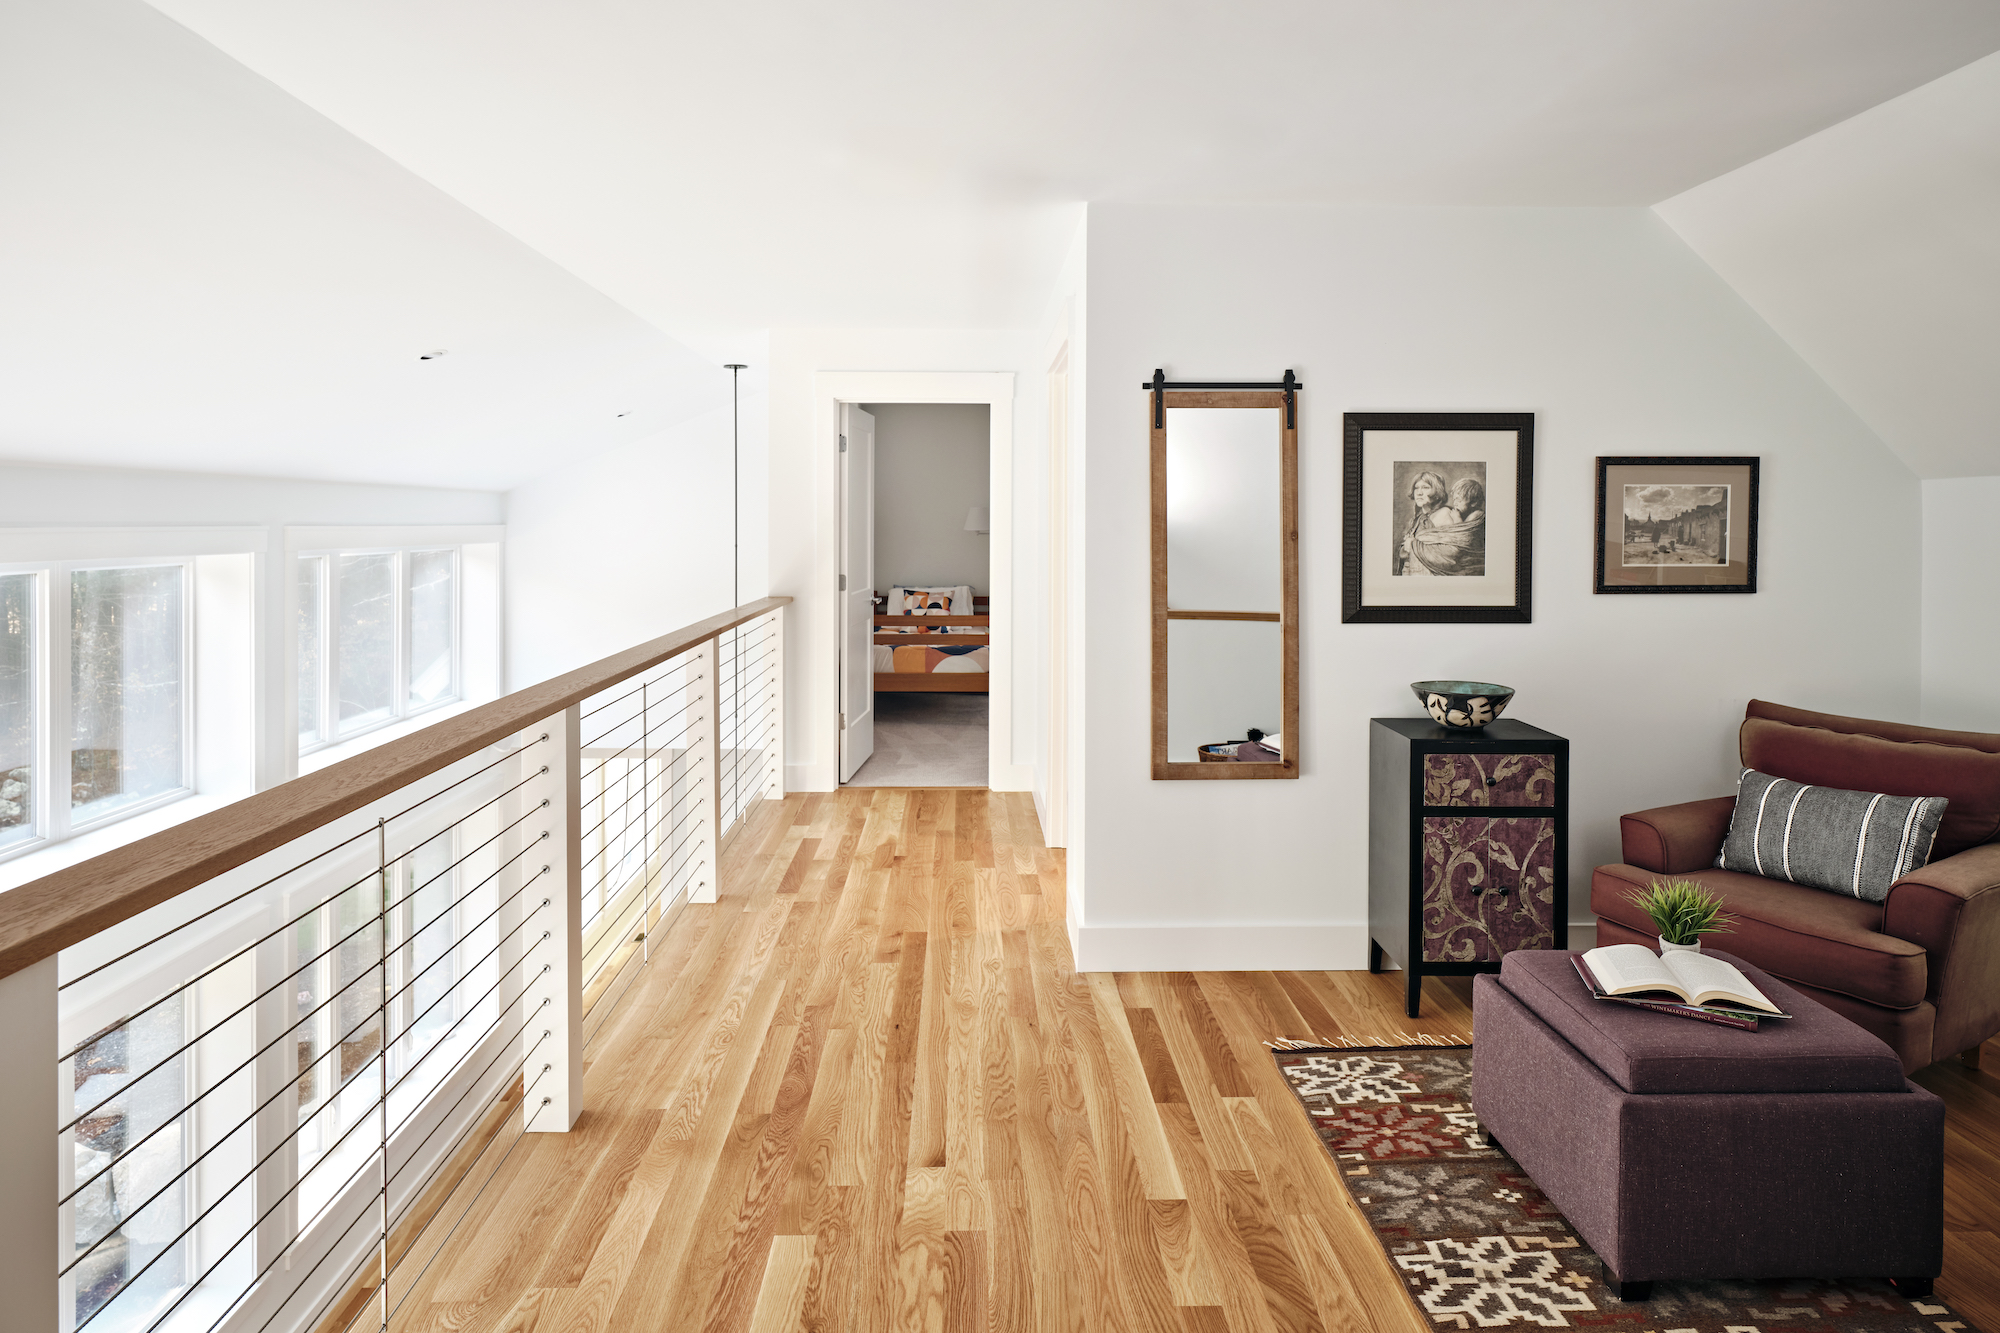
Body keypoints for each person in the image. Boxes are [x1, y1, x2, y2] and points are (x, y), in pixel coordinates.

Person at [1400, 470, 1486, 577]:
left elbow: (1452, 554)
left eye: (1425, 487)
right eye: (1416, 488)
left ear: (1436, 492)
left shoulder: (1444, 513)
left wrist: (1414, 545)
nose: (1419, 492)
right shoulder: (1416, 520)